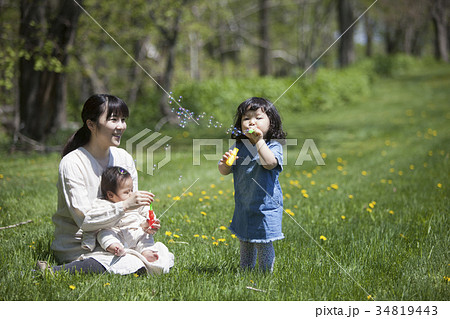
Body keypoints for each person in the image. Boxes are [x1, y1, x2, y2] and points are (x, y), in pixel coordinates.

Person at [38, 94, 173, 275]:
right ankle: (55, 271)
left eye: (123, 120)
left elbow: (132, 202)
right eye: (113, 120)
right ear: (91, 124)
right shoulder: (72, 162)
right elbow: (84, 220)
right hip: (81, 243)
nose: (121, 126)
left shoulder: (123, 157)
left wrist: (144, 224)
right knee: (132, 263)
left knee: (160, 257)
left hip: (121, 236)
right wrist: (125, 206)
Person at [218, 97, 286, 272]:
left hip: (265, 206)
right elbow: (224, 171)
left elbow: (269, 163)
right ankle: (245, 271)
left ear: (271, 123)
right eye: (246, 118)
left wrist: (259, 141)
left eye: (258, 117)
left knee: (262, 242)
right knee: (245, 240)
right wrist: (224, 163)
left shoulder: (273, 146)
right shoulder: (239, 146)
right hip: (244, 204)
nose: (251, 122)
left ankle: (265, 275)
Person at [81, 166, 159, 264]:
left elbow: (146, 210)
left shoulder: (135, 202)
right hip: (116, 233)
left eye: (132, 190)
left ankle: (146, 252)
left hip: (134, 230)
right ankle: (115, 247)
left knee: (145, 236)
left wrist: (148, 222)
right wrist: (88, 242)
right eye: (126, 192)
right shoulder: (102, 204)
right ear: (110, 195)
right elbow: (93, 224)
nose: (131, 195)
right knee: (104, 234)